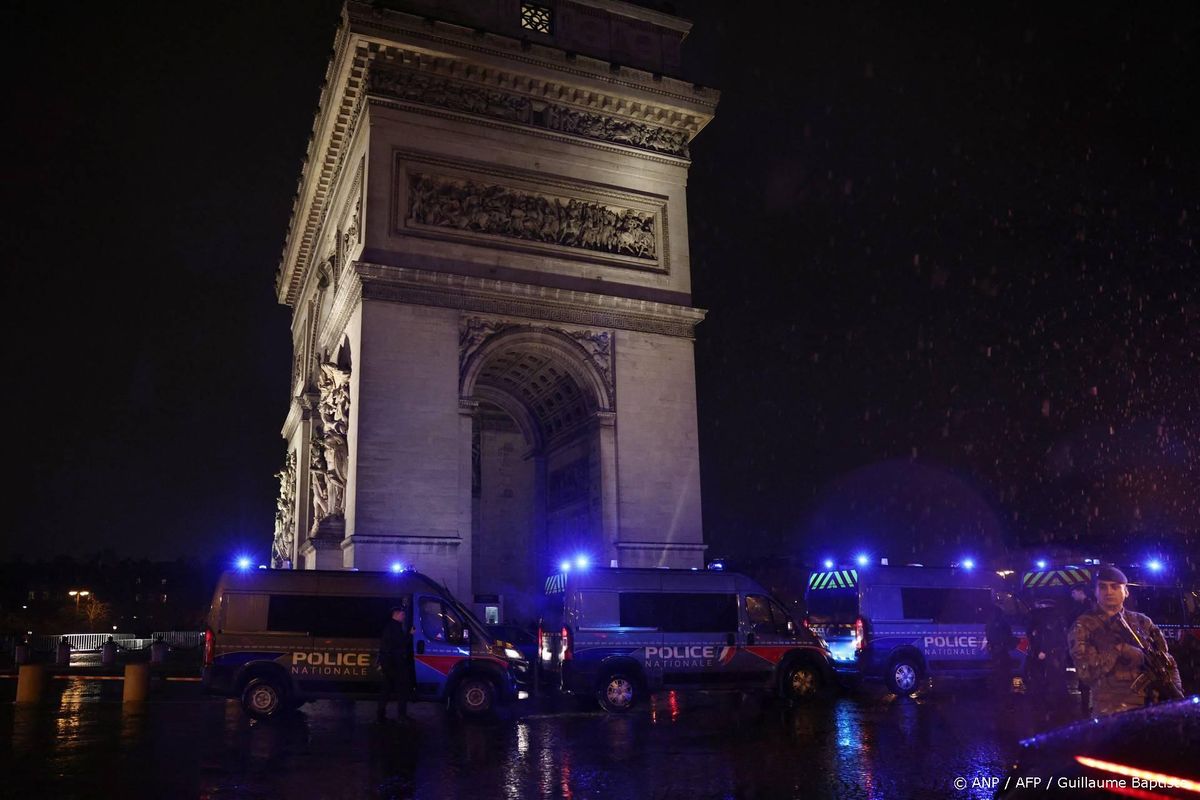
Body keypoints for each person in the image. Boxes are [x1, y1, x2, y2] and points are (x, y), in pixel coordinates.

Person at [1069, 566, 1183, 716]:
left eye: (1115, 587)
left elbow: (1166, 662)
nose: (1109, 591)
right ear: (1095, 592)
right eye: (1103, 587)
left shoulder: (1143, 622)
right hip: (1111, 711)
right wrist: (1119, 650)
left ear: (1126, 592)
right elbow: (1086, 673)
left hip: (1150, 707)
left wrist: (1174, 691)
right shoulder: (1084, 625)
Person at [378, 604, 415, 722]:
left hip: (389, 663)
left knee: (386, 690)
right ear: (396, 614)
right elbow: (401, 643)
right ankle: (401, 716)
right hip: (395, 664)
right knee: (401, 689)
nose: (404, 616)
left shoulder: (390, 626)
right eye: (402, 614)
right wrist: (410, 634)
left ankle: (380, 715)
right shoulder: (395, 628)